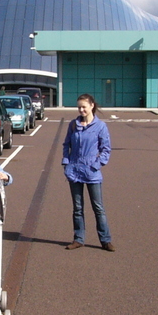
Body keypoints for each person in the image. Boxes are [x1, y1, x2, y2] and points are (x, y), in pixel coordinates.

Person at [62, 93, 114, 251]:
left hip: (92, 172)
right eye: (79, 107)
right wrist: (66, 162)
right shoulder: (73, 125)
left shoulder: (100, 126)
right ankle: (79, 238)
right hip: (74, 171)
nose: (81, 110)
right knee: (77, 208)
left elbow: (106, 149)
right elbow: (66, 145)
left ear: (92, 106)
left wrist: (97, 165)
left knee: (98, 207)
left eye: (84, 107)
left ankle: (105, 240)